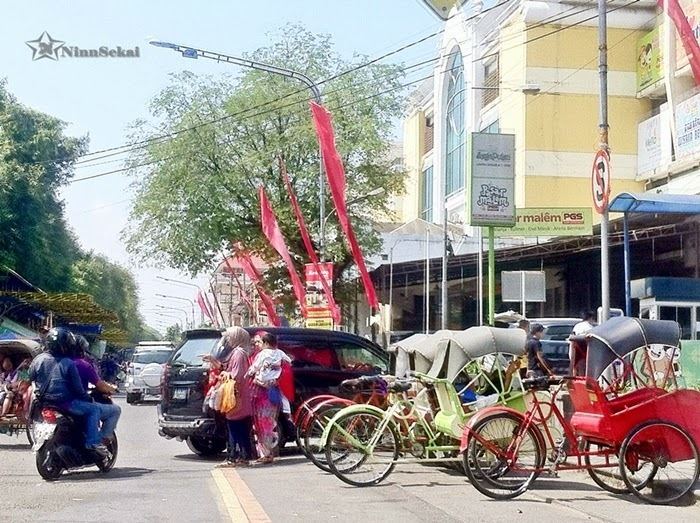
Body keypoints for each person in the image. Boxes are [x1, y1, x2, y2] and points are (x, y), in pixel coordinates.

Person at [28, 327, 106, 453]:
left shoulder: (38, 360)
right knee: (94, 410)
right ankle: (93, 443)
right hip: (65, 404)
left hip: (43, 403)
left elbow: (31, 378)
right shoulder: (68, 363)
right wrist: (88, 398)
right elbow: (78, 389)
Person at [210, 327, 254, 468]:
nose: (228, 340)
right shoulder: (237, 353)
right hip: (238, 397)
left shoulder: (239, 354)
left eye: (230, 337)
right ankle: (240, 457)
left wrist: (225, 375)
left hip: (237, 397)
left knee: (236, 427)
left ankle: (236, 457)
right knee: (237, 427)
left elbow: (238, 375)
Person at [246, 332, 291, 465]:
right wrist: (276, 371)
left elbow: (253, 369)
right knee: (271, 422)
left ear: (265, 343)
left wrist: (248, 375)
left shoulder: (262, 354)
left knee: (261, 423)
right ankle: (271, 451)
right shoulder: (280, 353)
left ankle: (266, 453)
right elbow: (289, 362)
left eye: (259, 342)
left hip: (261, 391)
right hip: (273, 391)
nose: (257, 345)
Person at [71, 336, 121, 445]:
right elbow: (100, 385)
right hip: (73, 403)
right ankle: (95, 443)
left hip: (55, 402)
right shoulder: (83, 364)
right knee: (112, 410)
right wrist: (112, 388)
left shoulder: (55, 363)